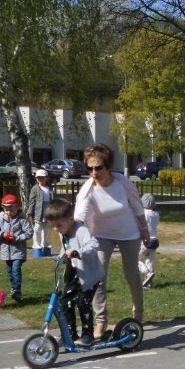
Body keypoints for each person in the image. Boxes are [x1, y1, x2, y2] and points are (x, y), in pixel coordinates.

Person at [74, 143, 149, 339]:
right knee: (98, 277)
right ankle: (101, 322)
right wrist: (72, 236)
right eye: (89, 168)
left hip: (128, 233)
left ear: (108, 167)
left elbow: (137, 206)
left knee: (131, 274)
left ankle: (138, 315)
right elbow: (80, 215)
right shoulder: (88, 190)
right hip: (101, 234)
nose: (94, 172)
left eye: (98, 167)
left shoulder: (122, 183)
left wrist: (144, 229)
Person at [46, 198, 104, 346]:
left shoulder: (81, 231)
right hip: (73, 272)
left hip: (89, 275)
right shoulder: (63, 231)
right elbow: (66, 247)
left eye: (59, 225)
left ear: (71, 219)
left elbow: (93, 245)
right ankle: (69, 335)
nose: (56, 229)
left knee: (82, 302)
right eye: (53, 226)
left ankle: (88, 335)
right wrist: (61, 255)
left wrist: (78, 252)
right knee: (66, 302)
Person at [0, 194, 33, 301]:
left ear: (17, 208)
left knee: (16, 270)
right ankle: (14, 288)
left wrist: (16, 237)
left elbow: (29, 233)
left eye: (12, 210)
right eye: (7, 210)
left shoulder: (22, 220)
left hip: (18, 251)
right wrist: (2, 235)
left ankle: (17, 291)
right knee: (10, 272)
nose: (9, 212)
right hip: (6, 251)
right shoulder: (2, 219)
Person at [27, 168, 54, 256]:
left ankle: (44, 242)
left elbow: (52, 199)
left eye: (42, 177)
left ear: (46, 178)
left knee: (45, 227)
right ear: (36, 179)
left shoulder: (50, 187)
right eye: (38, 178)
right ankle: (36, 242)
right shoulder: (35, 188)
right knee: (37, 227)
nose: (40, 179)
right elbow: (32, 201)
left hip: (48, 208)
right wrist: (30, 211)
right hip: (38, 210)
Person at [138, 193, 160, 289]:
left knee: (134, 260)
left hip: (146, 241)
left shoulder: (143, 214)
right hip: (155, 240)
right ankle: (149, 283)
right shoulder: (156, 214)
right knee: (149, 260)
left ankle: (147, 273)